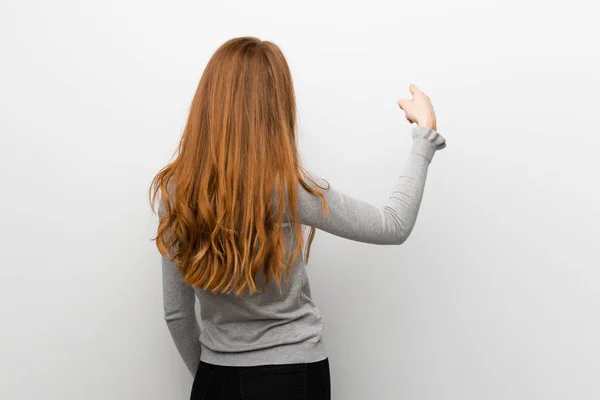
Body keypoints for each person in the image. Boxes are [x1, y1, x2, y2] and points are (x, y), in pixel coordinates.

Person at [149, 36, 446, 400]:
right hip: (294, 377)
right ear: (276, 106)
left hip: (217, 376)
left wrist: (211, 376)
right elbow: (393, 224)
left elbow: (176, 313)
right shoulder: (288, 187)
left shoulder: (177, 189)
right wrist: (424, 136)